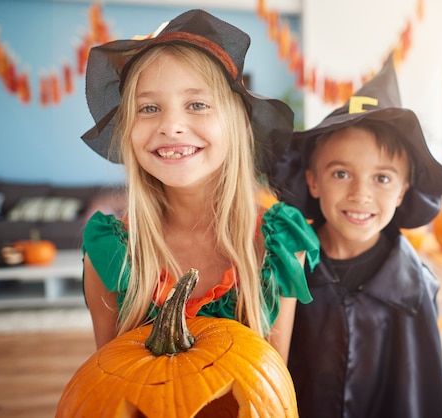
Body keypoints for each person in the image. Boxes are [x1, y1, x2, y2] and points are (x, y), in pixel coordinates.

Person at [79, 9, 319, 362]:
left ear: (235, 124)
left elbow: (272, 388)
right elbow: (110, 384)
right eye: (148, 108)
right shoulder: (110, 253)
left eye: (197, 104)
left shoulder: (279, 244)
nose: (172, 125)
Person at [270, 56, 442, 417]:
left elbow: (420, 392)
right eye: (341, 174)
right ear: (313, 181)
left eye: (382, 178)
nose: (360, 195)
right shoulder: (288, 266)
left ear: (402, 191)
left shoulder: (414, 289)